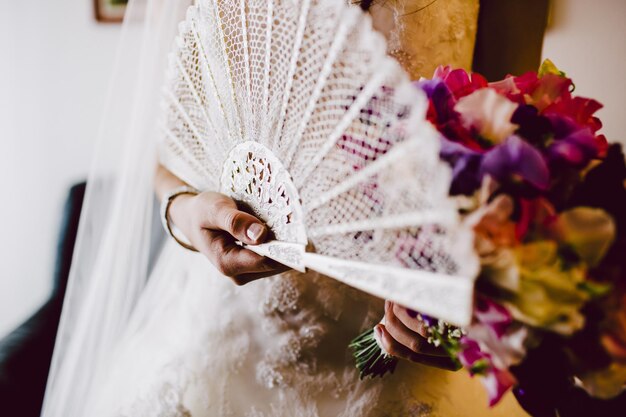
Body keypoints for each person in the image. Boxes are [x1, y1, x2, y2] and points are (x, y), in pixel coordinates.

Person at [42, 1, 528, 415]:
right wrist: (185, 213)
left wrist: (469, 318)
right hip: (226, 337)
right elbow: (162, 143)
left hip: (402, 346)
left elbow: (515, 155)